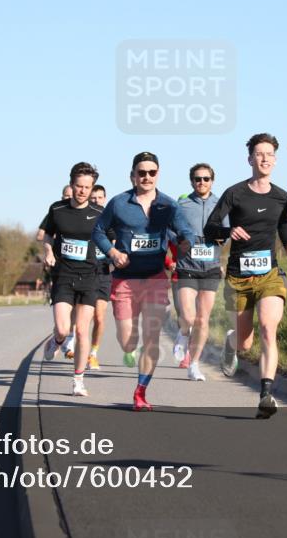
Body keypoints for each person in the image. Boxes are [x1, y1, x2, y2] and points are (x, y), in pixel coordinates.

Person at [204, 134, 287, 419]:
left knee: (269, 330)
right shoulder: (235, 194)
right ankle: (232, 341)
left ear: (275, 159)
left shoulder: (282, 196)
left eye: (269, 154)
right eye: (259, 154)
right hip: (238, 278)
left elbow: (284, 226)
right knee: (245, 343)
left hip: (269, 274)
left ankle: (266, 394)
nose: (265, 158)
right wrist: (227, 232)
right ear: (250, 159)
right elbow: (211, 229)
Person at [92, 152, 197, 411]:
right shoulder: (118, 203)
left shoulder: (169, 206)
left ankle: (140, 392)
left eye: (152, 172)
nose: (146, 177)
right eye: (142, 172)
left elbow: (186, 232)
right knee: (128, 340)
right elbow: (98, 231)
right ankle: (130, 349)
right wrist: (114, 253)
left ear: (157, 174)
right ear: (133, 176)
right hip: (125, 281)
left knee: (151, 338)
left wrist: (186, 243)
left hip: (154, 279)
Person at [39, 165, 103, 397]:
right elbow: (47, 234)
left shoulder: (99, 214)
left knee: (83, 330)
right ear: (71, 185)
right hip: (64, 275)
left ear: (92, 187)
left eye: (87, 187)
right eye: (79, 186)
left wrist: (114, 255)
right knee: (64, 328)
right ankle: (57, 340)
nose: (83, 191)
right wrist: (48, 251)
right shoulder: (57, 209)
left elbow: (110, 241)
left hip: (89, 276)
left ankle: (78, 380)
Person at [171, 164, 225, 382]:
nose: (201, 182)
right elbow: (169, 229)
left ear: (212, 180)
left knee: (203, 319)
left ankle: (193, 364)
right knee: (188, 316)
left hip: (211, 267)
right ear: (191, 181)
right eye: (197, 179)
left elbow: (229, 229)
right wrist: (178, 241)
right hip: (187, 267)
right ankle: (183, 333)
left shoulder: (222, 204)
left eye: (205, 178)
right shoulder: (182, 204)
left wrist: (223, 237)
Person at [37, 184, 77, 354]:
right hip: (59, 264)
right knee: (64, 305)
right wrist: (52, 246)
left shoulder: (85, 212)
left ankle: (69, 338)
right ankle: (61, 334)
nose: (68, 199)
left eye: (70, 196)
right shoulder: (56, 211)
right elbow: (41, 234)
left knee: (78, 307)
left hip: (82, 268)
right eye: (65, 196)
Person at [87, 184, 112, 370]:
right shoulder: (83, 218)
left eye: (99, 197)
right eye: (93, 197)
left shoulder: (110, 218)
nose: (96, 201)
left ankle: (93, 354)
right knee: (84, 317)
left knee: (99, 317)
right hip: (84, 272)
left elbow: (117, 241)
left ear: (104, 198)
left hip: (103, 272)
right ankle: (74, 342)